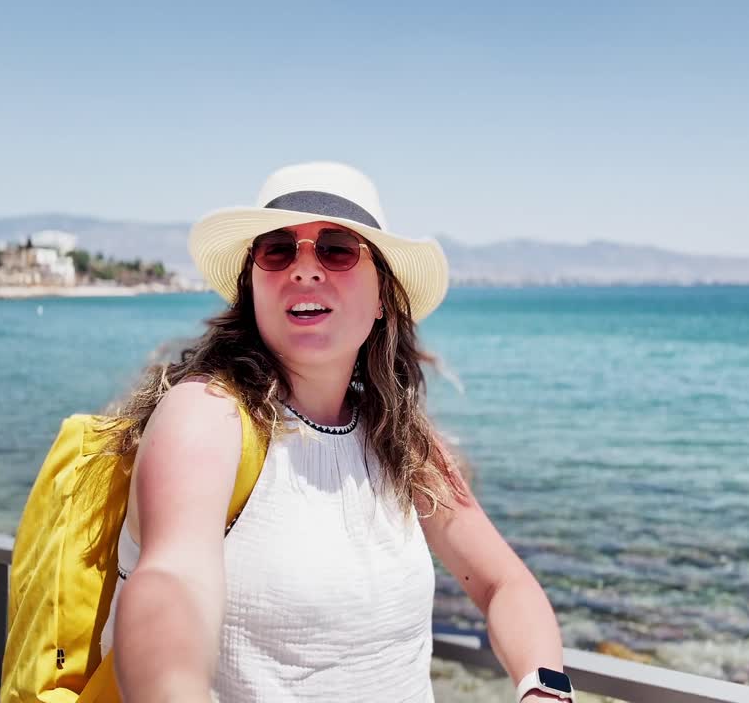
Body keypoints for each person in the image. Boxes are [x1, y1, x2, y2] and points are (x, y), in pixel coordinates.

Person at [100, 162, 574, 702]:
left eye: (337, 249)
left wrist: (544, 690)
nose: (305, 270)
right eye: (277, 250)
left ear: (382, 297)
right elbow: (171, 583)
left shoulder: (402, 442)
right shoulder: (206, 415)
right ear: (251, 287)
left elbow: (504, 583)